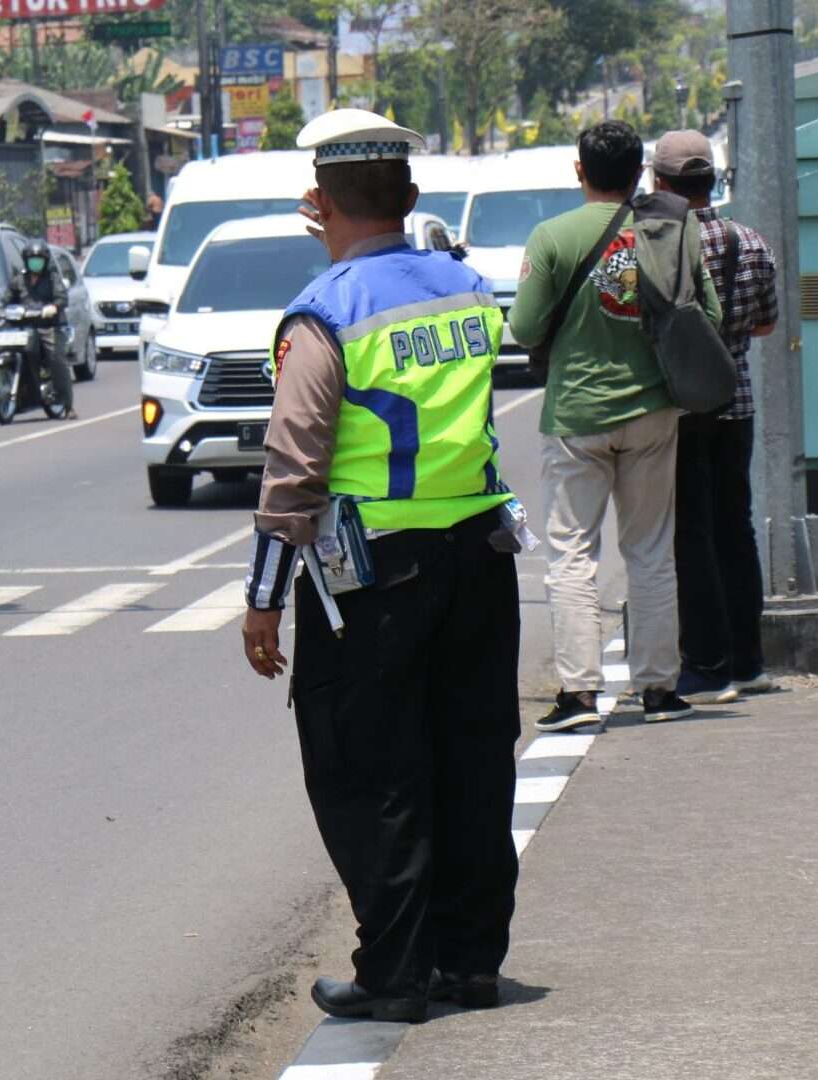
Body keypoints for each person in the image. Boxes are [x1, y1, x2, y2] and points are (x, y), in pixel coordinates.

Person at [239, 109, 520, 1023]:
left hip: (374, 582)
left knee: (371, 773)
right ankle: (469, 963)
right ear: (409, 197)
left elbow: (295, 467)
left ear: (316, 207)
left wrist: (263, 601)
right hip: (480, 557)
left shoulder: (326, 313)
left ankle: (396, 973)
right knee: (473, 760)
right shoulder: (468, 287)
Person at [509, 120, 719, 732]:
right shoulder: (672, 230)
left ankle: (579, 694)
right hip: (653, 411)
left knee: (573, 552)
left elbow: (523, 328)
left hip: (577, 417)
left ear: (580, 171)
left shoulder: (552, 237)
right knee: (650, 549)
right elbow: (710, 314)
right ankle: (658, 688)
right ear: (640, 175)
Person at [649, 131, 780, 703]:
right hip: (737, 399)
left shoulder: (655, 245)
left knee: (691, 534)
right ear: (714, 181)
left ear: (659, 184)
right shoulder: (749, 241)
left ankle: (706, 667)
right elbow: (766, 323)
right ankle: (749, 661)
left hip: (676, 404)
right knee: (736, 527)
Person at [5, 238, 76, 419]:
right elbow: (7, 299)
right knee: (3, 352)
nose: (35, 263)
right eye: (32, 259)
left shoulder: (52, 278)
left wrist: (53, 307)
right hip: (25, 328)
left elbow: (62, 298)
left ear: (45, 261)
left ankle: (68, 405)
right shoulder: (18, 280)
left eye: (39, 260)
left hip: (49, 326)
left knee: (57, 359)